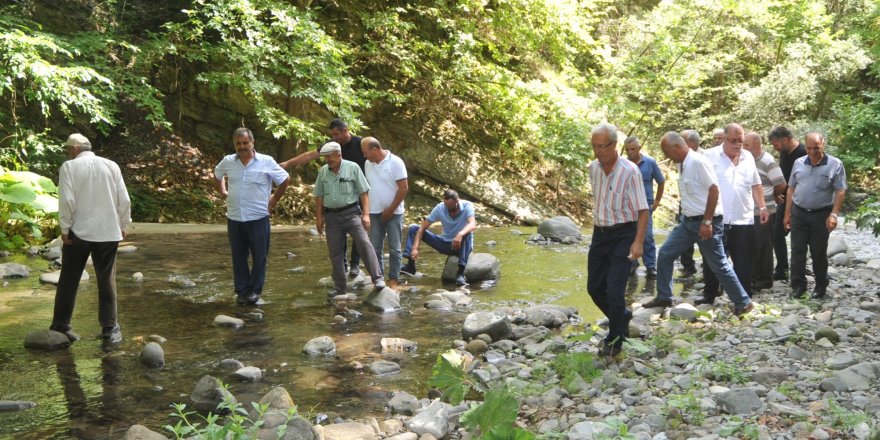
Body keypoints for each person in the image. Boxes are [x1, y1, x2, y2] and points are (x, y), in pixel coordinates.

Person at [645, 132, 754, 317]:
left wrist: (707, 221)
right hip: (687, 223)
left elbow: (714, 190)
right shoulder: (682, 163)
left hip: (706, 222)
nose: (666, 155)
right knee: (665, 254)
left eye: (666, 151)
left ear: (677, 147)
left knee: (718, 264)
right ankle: (664, 296)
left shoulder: (698, 162)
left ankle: (744, 302)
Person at [51, 133, 131, 344]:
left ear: (76, 149)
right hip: (107, 232)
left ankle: (61, 326)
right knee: (107, 280)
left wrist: (65, 228)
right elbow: (123, 198)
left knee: (69, 278)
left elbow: (66, 200)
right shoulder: (111, 165)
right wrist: (123, 224)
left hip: (79, 231)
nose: (68, 152)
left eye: (69, 148)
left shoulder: (69, 167)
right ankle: (110, 329)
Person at [587, 124, 648, 356]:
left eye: (601, 146)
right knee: (594, 287)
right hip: (599, 233)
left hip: (624, 233)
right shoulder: (593, 168)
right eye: (594, 147)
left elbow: (643, 210)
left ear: (614, 145)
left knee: (614, 290)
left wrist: (638, 242)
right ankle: (621, 316)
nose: (597, 151)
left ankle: (615, 341)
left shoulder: (630, 171)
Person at [215, 127, 290, 305]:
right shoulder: (228, 161)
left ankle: (255, 291)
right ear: (234, 144)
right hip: (234, 218)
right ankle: (241, 291)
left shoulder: (266, 161)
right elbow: (217, 175)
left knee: (259, 256)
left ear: (252, 142)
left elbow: (285, 179)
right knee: (238, 256)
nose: (242, 146)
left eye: (245, 143)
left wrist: (274, 200)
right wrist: (223, 191)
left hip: (258, 218)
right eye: (238, 143)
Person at [281, 118, 366, 276]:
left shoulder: (361, 144)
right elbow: (310, 155)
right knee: (339, 231)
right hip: (338, 195)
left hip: (358, 192)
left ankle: (355, 264)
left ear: (345, 131)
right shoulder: (331, 146)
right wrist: (287, 164)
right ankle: (343, 265)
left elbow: (375, 160)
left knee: (359, 231)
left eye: (336, 134)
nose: (334, 138)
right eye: (332, 135)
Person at [695, 124, 768, 305]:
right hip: (717, 217)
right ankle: (709, 294)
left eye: (740, 141)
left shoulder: (748, 156)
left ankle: (744, 297)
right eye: (733, 141)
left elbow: (756, 184)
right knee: (713, 259)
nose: (737, 145)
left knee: (744, 260)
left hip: (743, 217)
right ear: (724, 139)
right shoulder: (709, 156)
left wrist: (763, 207)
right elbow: (700, 185)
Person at [313, 141, 385, 295]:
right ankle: (340, 288)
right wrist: (319, 218)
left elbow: (363, 192)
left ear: (339, 155)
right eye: (325, 157)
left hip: (351, 213)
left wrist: (366, 215)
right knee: (335, 252)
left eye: (330, 157)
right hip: (331, 216)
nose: (327, 160)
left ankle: (378, 278)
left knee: (364, 243)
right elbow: (319, 196)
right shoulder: (323, 172)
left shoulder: (352, 167)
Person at [783, 133, 846, 299]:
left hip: (821, 214)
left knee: (818, 252)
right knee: (797, 250)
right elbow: (791, 188)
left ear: (823, 144)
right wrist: (787, 213)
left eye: (816, 148)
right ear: (805, 146)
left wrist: (834, 214)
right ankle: (798, 286)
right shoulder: (798, 163)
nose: (812, 152)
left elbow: (840, 190)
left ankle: (820, 285)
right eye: (809, 148)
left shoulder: (835, 164)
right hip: (798, 213)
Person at [361, 136, 409, 290]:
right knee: (375, 248)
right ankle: (378, 279)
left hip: (394, 213)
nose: (364, 156)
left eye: (365, 152)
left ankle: (394, 280)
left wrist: (390, 210)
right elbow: (367, 190)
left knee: (395, 248)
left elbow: (403, 188)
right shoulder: (367, 164)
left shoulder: (395, 162)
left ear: (375, 149)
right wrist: (366, 212)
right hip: (374, 212)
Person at [401, 189, 476, 286]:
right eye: (446, 205)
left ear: (457, 201)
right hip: (444, 243)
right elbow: (421, 229)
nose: (448, 208)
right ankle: (410, 266)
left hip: (462, 246)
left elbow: (473, 224)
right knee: (413, 228)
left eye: (450, 206)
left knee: (468, 232)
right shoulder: (440, 208)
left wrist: (460, 234)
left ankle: (460, 273)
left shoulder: (467, 206)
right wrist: (415, 248)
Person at [743, 132, 786, 290]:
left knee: (763, 246)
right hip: (749, 210)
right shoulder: (747, 160)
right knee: (752, 245)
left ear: (756, 145)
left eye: (746, 145)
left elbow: (781, 184)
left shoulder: (767, 161)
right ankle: (754, 277)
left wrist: (772, 196)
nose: (743, 148)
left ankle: (765, 280)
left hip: (765, 210)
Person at [768, 126, 806, 281]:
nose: (775, 148)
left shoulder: (803, 153)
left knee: (800, 239)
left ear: (785, 139)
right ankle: (782, 268)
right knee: (776, 234)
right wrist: (777, 195)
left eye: (775, 144)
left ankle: (800, 270)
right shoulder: (784, 154)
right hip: (784, 201)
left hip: (800, 203)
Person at [623, 136, 664, 279]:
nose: (630, 152)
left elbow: (661, 181)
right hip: (629, 206)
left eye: (633, 149)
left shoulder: (650, 163)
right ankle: (632, 263)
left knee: (647, 236)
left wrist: (657, 201)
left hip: (646, 206)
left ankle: (651, 266)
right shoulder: (624, 164)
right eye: (627, 149)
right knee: (630, 236)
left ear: (639, 148)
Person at [677, 130, 703, 277]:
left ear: (691, 143)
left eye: (681, 140)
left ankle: (709, 272)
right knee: (684, 238)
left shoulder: (703, 158)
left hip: (701, 208)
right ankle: (688, 267)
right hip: (685, 204)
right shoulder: (680, 159)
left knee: (705, 241)